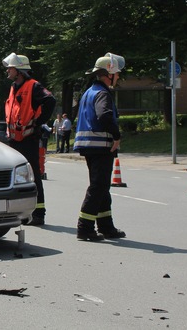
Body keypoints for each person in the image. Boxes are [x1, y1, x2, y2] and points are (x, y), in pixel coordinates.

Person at [73, 52, 127, 241]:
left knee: (102, 187)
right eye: (117, 73)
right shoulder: (103, 93)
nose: (118, 77)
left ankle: (106, 226)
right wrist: (117, 135)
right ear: (109, 73)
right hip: (101, 146)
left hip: (90, 146)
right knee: (98, 187)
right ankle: (84, 228)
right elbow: (104, 116)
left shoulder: (90, 92)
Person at [2, 53, 56, 226]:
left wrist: (39, 122)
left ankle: (39, 213)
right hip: (14, 140)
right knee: (16, 177)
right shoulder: (14, 86)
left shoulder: (33, 86)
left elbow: (50, 100)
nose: (8, 70)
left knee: (33, 176)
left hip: (28, 139)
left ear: (19, 70)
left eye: (10, 68)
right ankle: (22, 212)